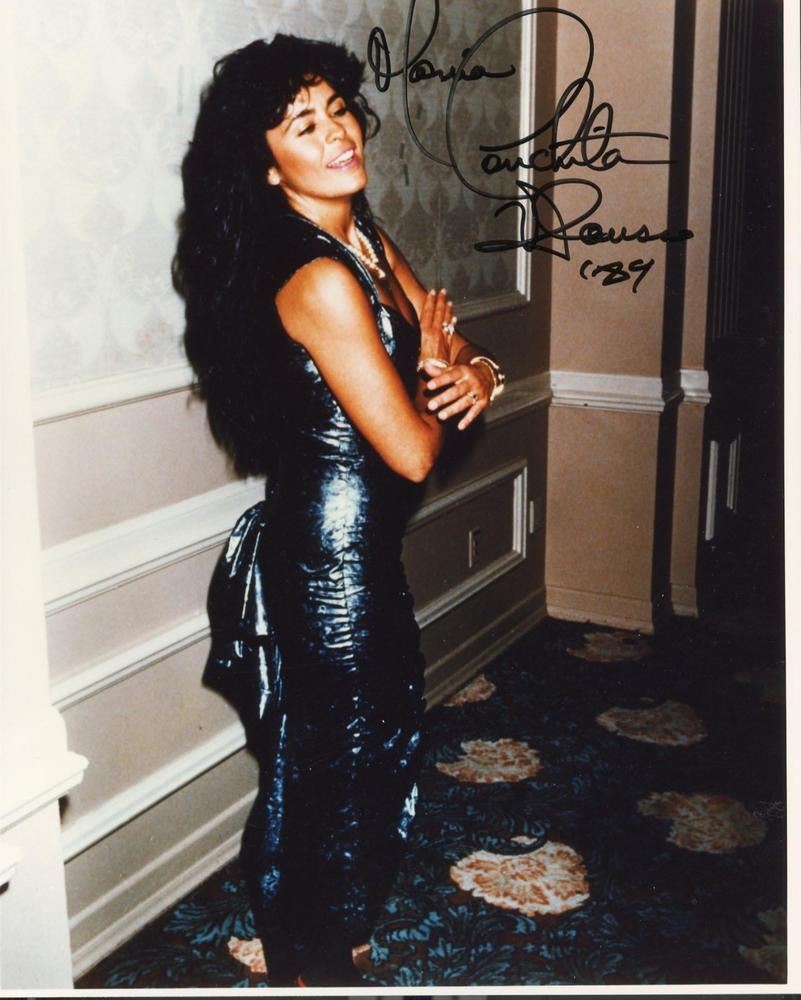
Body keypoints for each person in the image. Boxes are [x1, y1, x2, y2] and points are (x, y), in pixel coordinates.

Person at [173, 33, 505, 987]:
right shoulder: (317, 278)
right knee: (337, 761)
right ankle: (310, 956)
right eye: (301, 125)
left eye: (338, 111)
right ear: (267, 165)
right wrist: (439, 371)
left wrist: (477, 369)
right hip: (329, 561)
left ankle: (330, 929)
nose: (336, 135)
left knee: (367, 747)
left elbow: (455, 347)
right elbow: (412, 449)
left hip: (358, 547)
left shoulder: (361, 237)